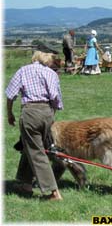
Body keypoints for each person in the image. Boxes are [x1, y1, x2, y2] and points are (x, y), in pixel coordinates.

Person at [6, 49, 64, 200]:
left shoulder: (23, 70)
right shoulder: (52, 73)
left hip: (30, 112)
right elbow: (56, 99)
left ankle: (53, 192)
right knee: (29, 147)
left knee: (37, 152)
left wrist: (10, 113)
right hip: (47, 112)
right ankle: (25, 184)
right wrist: (50, 116)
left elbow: (11, 94)